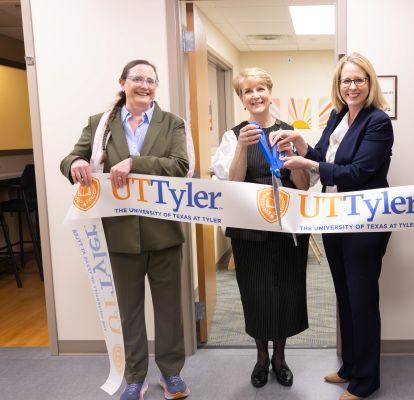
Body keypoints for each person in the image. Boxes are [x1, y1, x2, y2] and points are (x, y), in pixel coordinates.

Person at [60, 60, 191, 400]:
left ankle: (172, 374)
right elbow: (73, 157)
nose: (144, 85)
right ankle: (135, 376)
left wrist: (136, 163)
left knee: (169, 310)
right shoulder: (100, 125)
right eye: (137, 79)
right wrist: (74, 163)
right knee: (128, 311)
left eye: (151, 80)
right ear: (123, 83)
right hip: (117, 235)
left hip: (164, 234)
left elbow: (180, 166)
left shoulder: (173, 124)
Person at [273, 53, 394, 400]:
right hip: (334, 218)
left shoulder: (377, 122)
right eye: (346, 81)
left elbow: (359, 172)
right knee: (345, 295)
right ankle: (351, 366)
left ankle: (367, 380)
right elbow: (324, 158)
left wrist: (308, 160)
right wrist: (299, 144)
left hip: (364, 223)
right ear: (338, 87)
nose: (352, 86)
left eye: (359, 80)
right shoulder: (338, 117)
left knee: (363, 299)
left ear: (369, 83)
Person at [211, 67, 310, 388]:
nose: (255, 95)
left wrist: (292, 154)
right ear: (241, 99)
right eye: (247, 91)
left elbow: (304, 185)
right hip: (248, 229)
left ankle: (280, 357)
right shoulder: (233, 135)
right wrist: (241, 147)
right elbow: (232, 183)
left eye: (260, 89)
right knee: (255, 291)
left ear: (270, 92)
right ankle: (261, 357)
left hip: (287, 226)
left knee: (286, 289)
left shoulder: (289, 131)